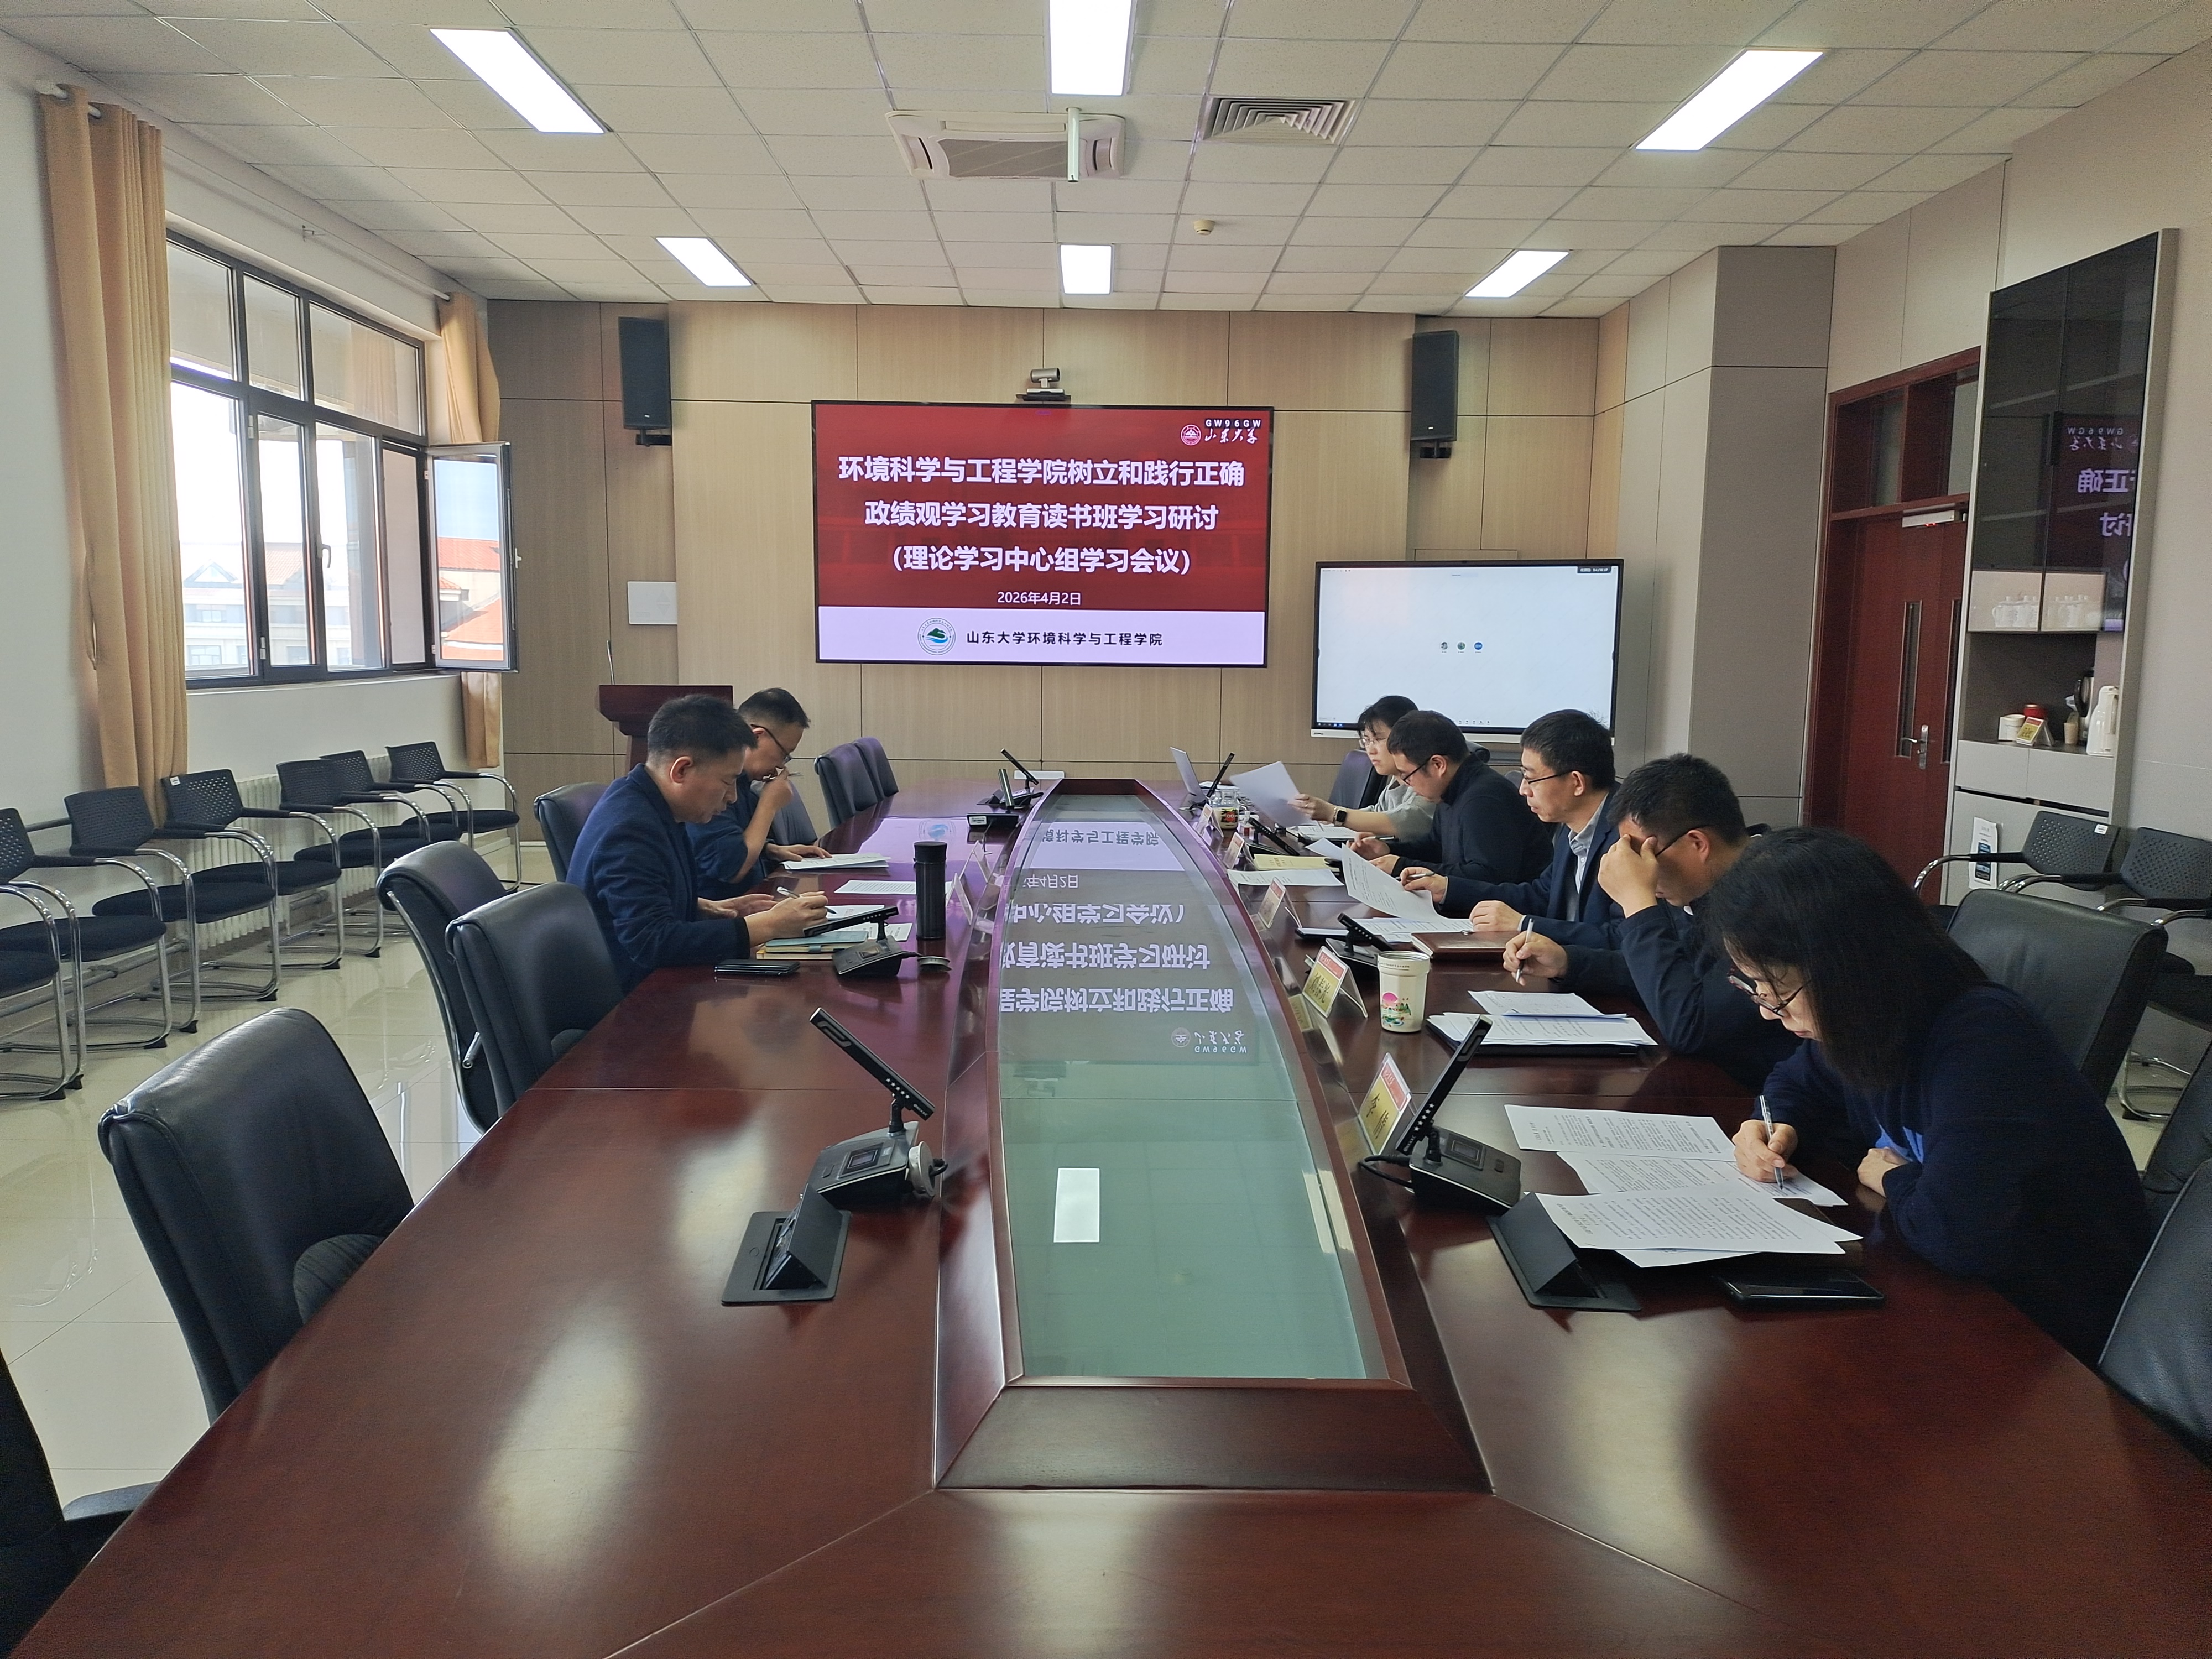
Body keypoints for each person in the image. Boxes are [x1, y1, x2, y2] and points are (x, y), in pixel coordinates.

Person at [1715, 827, 2152, 1363]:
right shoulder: (1867, 1022)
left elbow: (1957, 1235)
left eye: (1778, 990)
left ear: (1845, 968)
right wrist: (1773, 1124)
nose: (1768, 1012)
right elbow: (1794, 1081)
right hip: (1949, 1291)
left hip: (2048, 1331)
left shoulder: (1983, 1040)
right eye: (1755, 987)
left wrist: (1892, 1177)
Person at [1500, 753, 1798, 1089]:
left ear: (1697, 843)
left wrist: (1638, 903)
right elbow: (1667, 974)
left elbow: (1691, 1026)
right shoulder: (1702, 883)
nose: (1643, 870)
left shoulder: (1775, 898)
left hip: (1755, 1093)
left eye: (1643, 854)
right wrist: (1569, 962)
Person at [568, 695, 827, 990]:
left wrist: (705, 907)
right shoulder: (631, 830)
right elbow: (652, 942)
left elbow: (636, 901)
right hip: (636, 996)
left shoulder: (648, 799)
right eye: (727, 782)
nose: (733, 797)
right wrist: (767, 926)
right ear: (681, 770)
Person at [1417, 708, 1621, 945]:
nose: (1523, 790)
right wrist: (1448, 889)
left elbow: (1621, 939)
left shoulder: (1628, 835)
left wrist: (1523, 924)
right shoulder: (1572, 822)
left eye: (1531, 778)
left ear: (1576, 783)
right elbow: (1542, 895)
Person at [1385, 711, 1553, 899]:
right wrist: (1389, 851)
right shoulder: (1450, 789)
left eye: (1407, 775)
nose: (1407, 784)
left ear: (1438, 765)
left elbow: (1487, 877)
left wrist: (1402, 866)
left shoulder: (1483, 801)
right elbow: (1436, 846)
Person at [690, 687, 828, 899]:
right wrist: (769, 804)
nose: (781, 765)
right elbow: (733, 868)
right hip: (725, 908)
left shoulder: (743, 779)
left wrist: (769, 849)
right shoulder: (712, 781)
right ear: (757, 737)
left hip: (753, 899)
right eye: (784, 753)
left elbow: (733, 836)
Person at [1290, 695, 1436, 868]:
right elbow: (1379, 810)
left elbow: (1407, 821)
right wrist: (1330, 818)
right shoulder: (1396, 778)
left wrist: (1335, 814)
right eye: (1367, 741)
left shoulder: (1426, 777)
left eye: (1378, 739)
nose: (1371, 750)